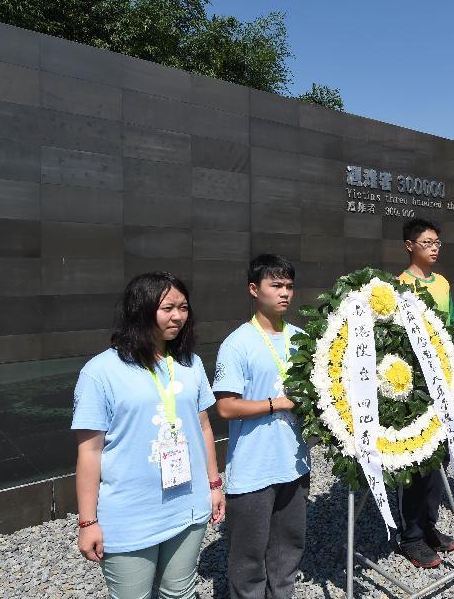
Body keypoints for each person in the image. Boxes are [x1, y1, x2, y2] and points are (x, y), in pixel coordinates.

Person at [72, 272, 225, 599]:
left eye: (183, 307)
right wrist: (87, 523)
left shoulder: (190, 363)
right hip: (130, 514)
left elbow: (204, 426)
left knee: (180, 592)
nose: (178, 316)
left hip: (188, 505)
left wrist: (214, 486)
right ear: (140, 310)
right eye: (168, 307)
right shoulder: (101, 372)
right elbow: (90, 451)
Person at [213, 254, 310, 599]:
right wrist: (276, 403)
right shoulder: (237, 344)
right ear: (254, 289)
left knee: (288, 551)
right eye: (276, 285)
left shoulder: (302, 339)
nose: (285, 293)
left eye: (289, 286)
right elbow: (225, 407)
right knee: (248, 560)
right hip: (254, 468)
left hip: (295, 464)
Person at [395, 217, 454, 568]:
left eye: (437, 243)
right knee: (416, 463)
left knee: (440, 460)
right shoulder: (398, 286)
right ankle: (411, 536)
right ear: (410, 246)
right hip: (414, 390)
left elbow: (447, 333)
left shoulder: (443, 284)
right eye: (427, 243)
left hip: (442, 387)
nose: (434, 248)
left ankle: (429, 526)